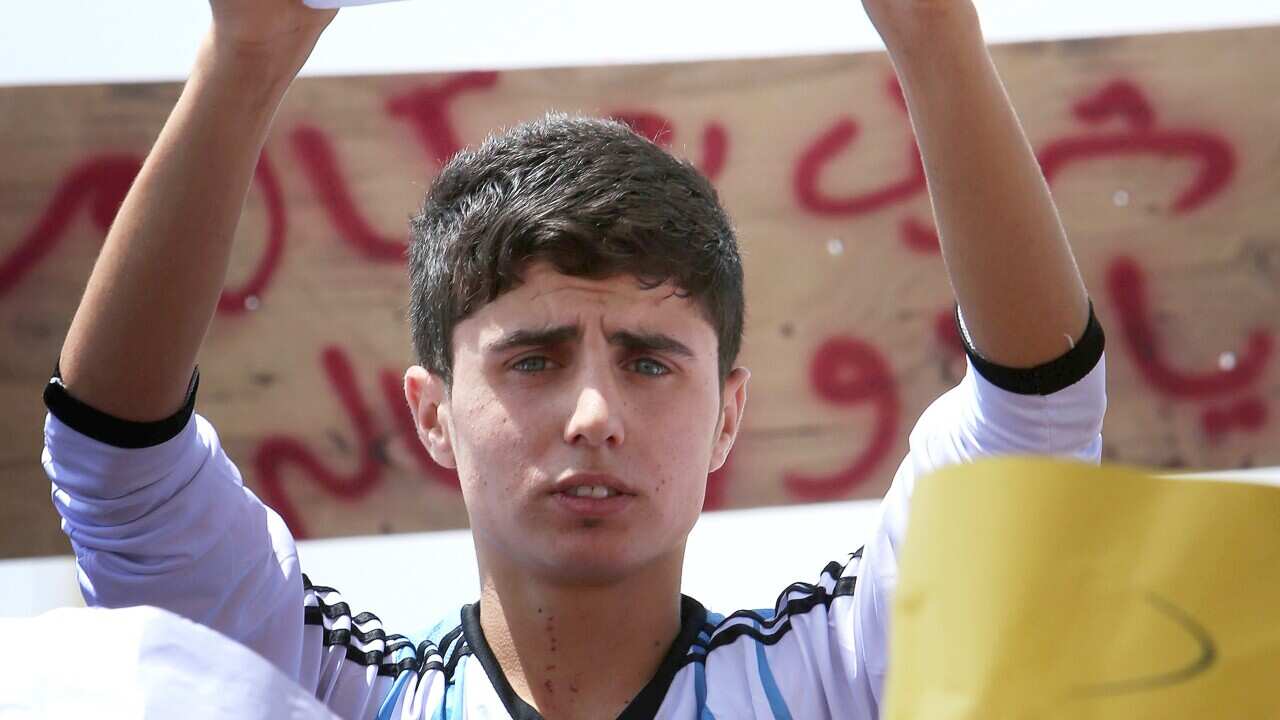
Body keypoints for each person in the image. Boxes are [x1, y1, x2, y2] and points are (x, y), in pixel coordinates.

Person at [41, 0, 1105, 717]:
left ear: (728, 412)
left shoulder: (832, 678)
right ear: (431, 409)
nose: (593, 410)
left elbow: (1035, 417)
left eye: (648, 361)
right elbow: (117, 462)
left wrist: (933, 33)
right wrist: (246, 60)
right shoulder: (336, 694)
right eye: (532, 360)